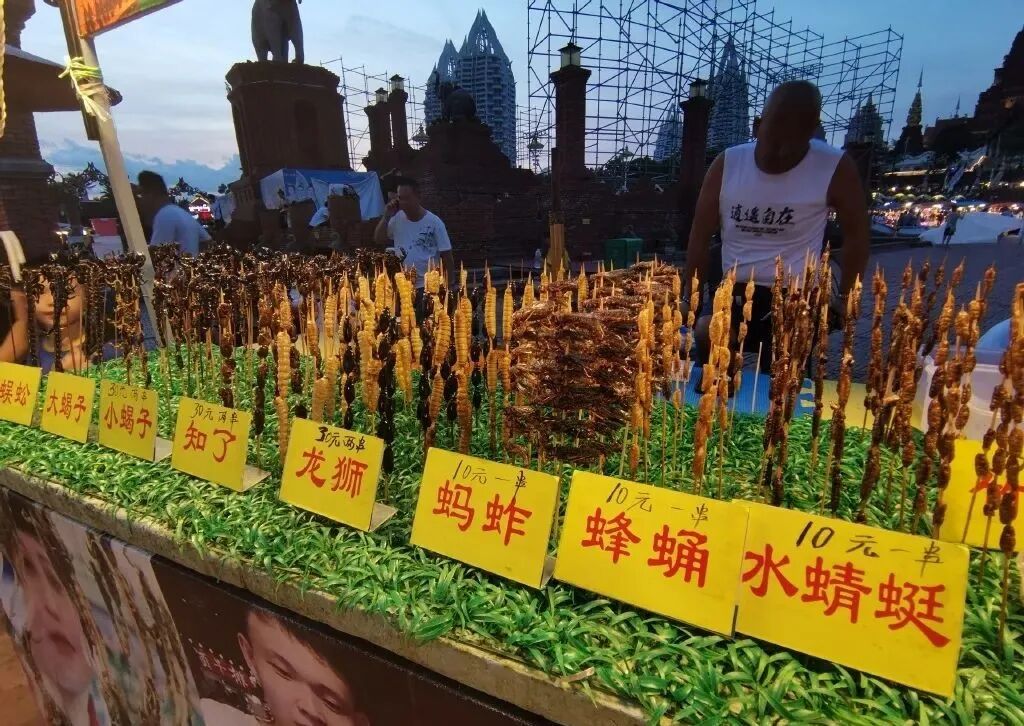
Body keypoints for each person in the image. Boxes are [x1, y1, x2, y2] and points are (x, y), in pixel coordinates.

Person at [683, 80, 870, 369]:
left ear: (812, 132)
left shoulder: (835, 167)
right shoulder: (727, 164)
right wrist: (690, 298)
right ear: (757, 127)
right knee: (707, 333)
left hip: (794, 295)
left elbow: (857, 237)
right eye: (773, 141)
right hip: (734, 288)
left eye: (792, 144)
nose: (781, 153)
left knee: (785, 365)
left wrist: (846, 297)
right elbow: (699, 235)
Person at [200, 607, 369, 726]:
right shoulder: (215, 718)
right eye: (283, 671)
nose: (308, 708)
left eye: (332, 703)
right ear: (250, 655)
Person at [373, 177, 454, 288]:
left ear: (418, 197)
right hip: (403, 285)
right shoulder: (396, 219)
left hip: (428, 286)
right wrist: (386, 216)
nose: (403, 203)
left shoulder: (435, 223)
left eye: (407, 198)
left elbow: (447, 256)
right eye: (400, 198)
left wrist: (450, 284)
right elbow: (378, 239)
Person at [137, 171, 211, 256]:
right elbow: (207, 241)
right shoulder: (181, 213)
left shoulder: (165, 215)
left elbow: (155, 253)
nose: (141, 201)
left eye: (141, 194)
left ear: (151, 194)